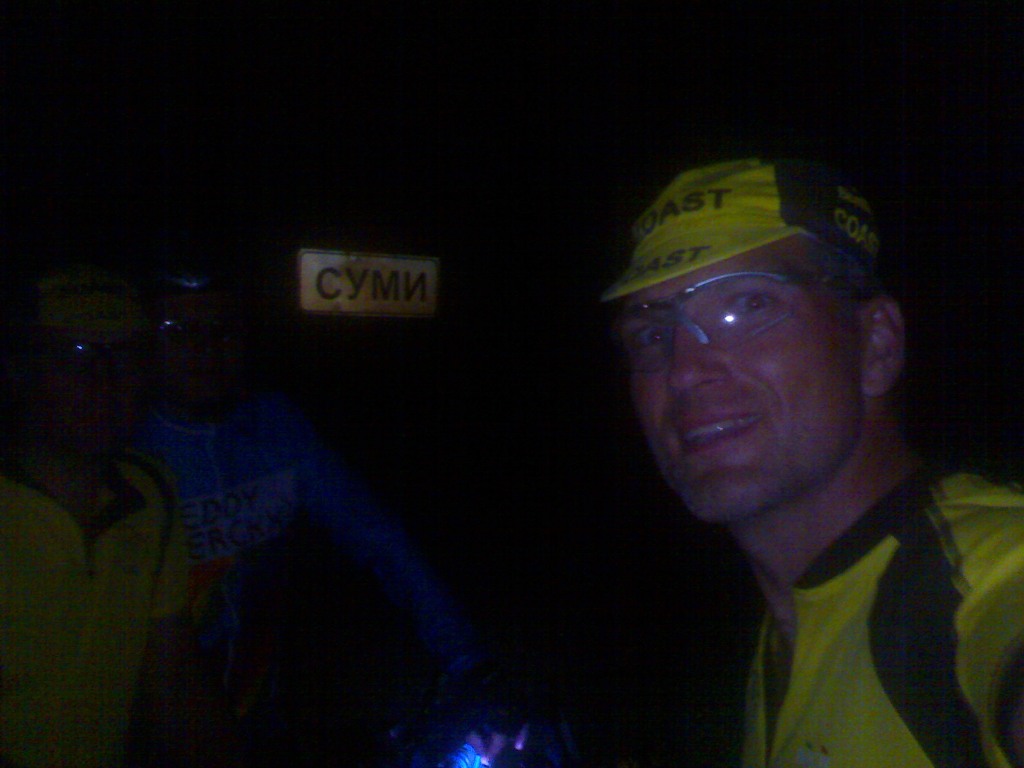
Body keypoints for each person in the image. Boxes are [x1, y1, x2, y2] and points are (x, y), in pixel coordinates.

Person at [601, 157, 1024, 767]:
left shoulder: (974, 580)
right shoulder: (777, 638)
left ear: (875, 344)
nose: (684, 371)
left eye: (749, 305)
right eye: (651, 335)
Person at [132, 265, 542, 766]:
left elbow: (379, 539)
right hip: (147, 723)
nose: (205, 347)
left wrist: (468, 659)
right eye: (179, 330)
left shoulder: (276, 427)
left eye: (223, 328)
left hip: (260, 710)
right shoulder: (123, 442)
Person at [0, 262, 240, 768]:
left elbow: (173, 680)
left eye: (125, 355)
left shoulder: (149, 493)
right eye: (75, 354)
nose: (104, 379)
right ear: (18, 370)